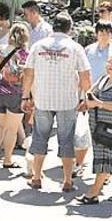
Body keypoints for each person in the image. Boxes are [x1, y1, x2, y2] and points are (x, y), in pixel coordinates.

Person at [21, 12, 91, 193]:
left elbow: (28, 73)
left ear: (53, 27)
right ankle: (67, 180)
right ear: (70, 29)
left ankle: (36, 178)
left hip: (42, 99)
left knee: (39, 137)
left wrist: (25, 96)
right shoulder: (75, 48)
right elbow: (85, 77)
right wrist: (85, 97)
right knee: (66, 140)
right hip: (67, 101)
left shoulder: (38, 46)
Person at [77, 52, 112, 204]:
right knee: (111, 159)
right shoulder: (104, 79)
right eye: (108, 62)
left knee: (106, 159)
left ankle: (93, 193)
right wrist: (87, 100)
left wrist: (98, 104)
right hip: (99, 127)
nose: (109, 65)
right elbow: (92, 92)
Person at [0, 23, 29, 168]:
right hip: (16, 93)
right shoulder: (25, 55)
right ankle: (8, 159)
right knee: (12, 128)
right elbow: (29, 77)